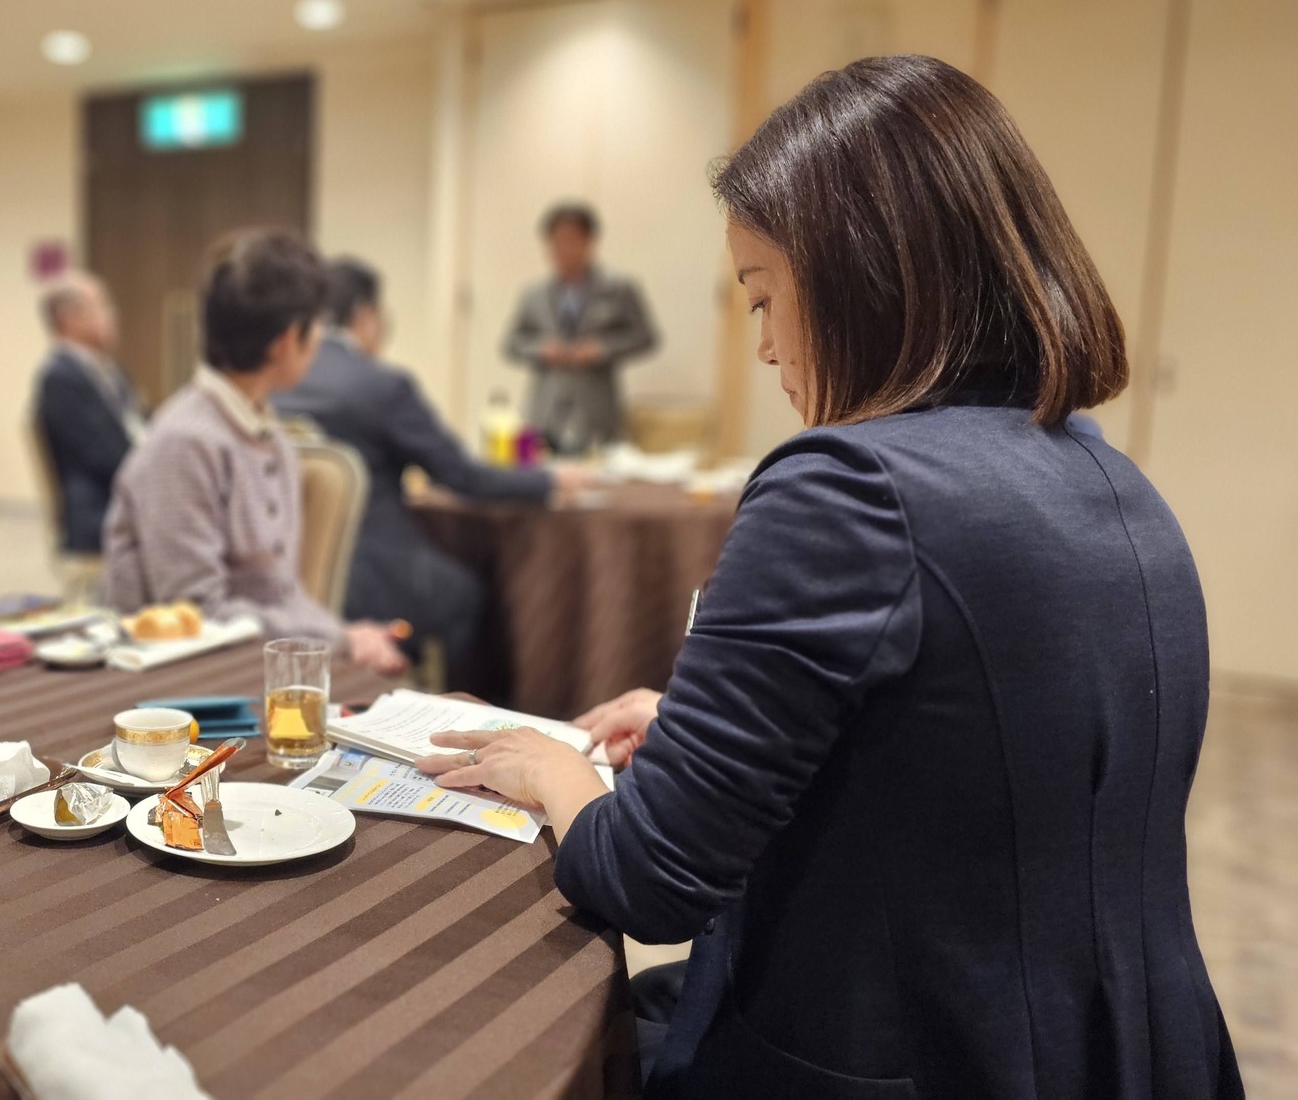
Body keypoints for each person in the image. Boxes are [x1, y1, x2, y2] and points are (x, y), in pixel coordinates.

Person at [418, 56, 1241, 1098]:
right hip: (1123, 1051)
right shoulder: (1108, 477)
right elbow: (981, 769)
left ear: (862, 275)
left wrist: (551, 770)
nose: (765, 347)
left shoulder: (847, 487)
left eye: (764, 296)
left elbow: (648, 877)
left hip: (898, 1059)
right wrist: (709, 729)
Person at [276, 257, 592, 686]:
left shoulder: (279, 381)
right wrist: (550, 479)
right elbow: (463, 476)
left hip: (289, 577)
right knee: (468, 594)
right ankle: (462, 709)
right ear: (367, 316)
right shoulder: (380, 384)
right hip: (373, 574)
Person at [103, 230, 406, 676]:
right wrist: (339, 640)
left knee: (384, 687)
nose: (320, 339)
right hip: (178, 675)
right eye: (315, 325)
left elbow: (283, 593)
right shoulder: (184, 443)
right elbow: (196, 611)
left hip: (253, 657)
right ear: (285, 341)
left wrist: (347, 635)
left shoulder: (270, 435)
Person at [503, 201, 659, 453]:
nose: (564, 249)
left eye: (572, 240)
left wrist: (603, 349)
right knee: (535, 471)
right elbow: (511, 344)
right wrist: (541, 349)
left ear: (589, 241)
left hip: (597, 410)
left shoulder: (619, 289)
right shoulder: (533, 295)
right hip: (544, 411)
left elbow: (645, 337)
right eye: (557, 241)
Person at [32, 272, 143, 555]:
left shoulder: (108, 370)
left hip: (123, 495)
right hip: (98, 511)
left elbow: (138, 427)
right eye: (102, 306)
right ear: (69, 319)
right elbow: (105, 457)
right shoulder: (60, 378)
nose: (112, 315)